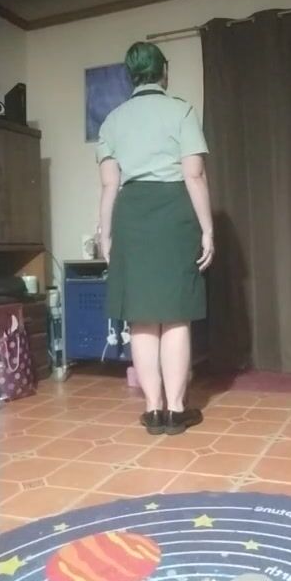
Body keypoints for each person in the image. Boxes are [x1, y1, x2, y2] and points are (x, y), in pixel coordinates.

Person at [96, 41, 214, 436]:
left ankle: (153, 410)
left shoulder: (112, 121)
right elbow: (194, 174)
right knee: (175, 314)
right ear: (163, 71)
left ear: (131, 76)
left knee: (141, 316)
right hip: (174, 212)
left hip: (131, 216)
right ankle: (176, 411)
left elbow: (109, 185)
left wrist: (106, 235)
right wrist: (208, 228)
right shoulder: (181, 110)